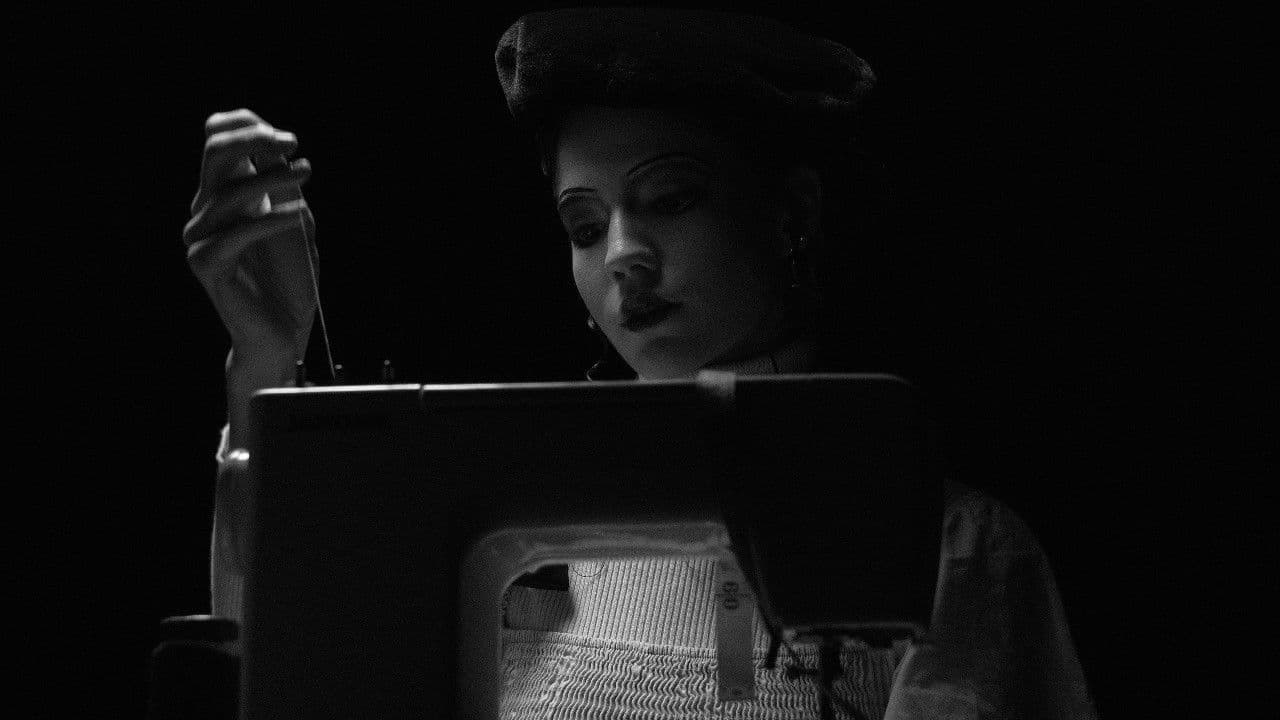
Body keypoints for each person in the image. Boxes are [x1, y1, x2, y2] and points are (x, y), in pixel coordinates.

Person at [183, 7, 1097, 719]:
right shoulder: (502, 521)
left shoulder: (948, 548)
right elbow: (289, 669)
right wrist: (267, 356)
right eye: (584, 225)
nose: (622, 254)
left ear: (793, 213)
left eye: (670, 198)